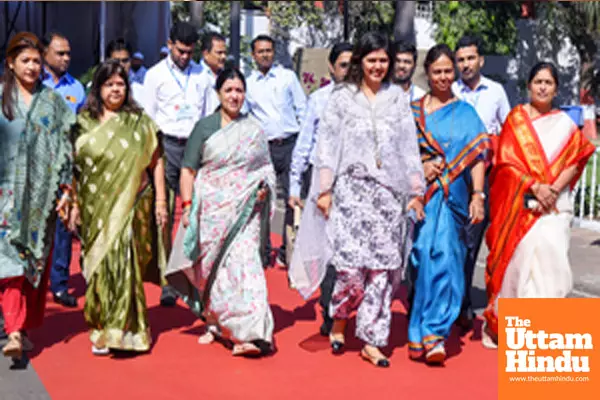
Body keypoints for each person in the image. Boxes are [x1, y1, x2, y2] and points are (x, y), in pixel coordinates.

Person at [289, 32, 425, 368]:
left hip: (388, 197)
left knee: (381, 271)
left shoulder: (397, 99)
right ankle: (340, 318)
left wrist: (416, 190)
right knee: (349, 269)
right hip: (350, 193)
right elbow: (327, 148)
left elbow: (409, 147)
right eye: (371, 60)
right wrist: (324, 190)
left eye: (383, 60)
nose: (378, 66)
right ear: (360, 62)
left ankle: (372, 340)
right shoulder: (342, 99)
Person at [483, 62, 595, 348]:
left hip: (555, 207)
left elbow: (576, 159)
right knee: (520, 266)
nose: (543, 87)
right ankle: (513, 329)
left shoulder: (565, 124)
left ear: (556, 89)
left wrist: (553, 190)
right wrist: (534, 186)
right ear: (529, 85)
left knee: (552, 262)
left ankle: (541, 333)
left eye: (548, 83)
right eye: (538, 82)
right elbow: (505, 162)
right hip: (520, 205)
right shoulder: (515, 120)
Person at [165, 68, 276, 357]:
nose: (234, 96)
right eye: (229, 90)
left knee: (245, 265)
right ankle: (215, 321)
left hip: (246, 212)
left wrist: (263, 190)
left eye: (239, 90)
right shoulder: (205, 127)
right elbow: (188, 170)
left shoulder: (253, 129)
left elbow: (264, 169)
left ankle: (252, 332)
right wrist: (187, 207)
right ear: (218, 93)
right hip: (211, 211)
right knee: (212, 270)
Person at [69, 60, 168, 355]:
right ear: (98, 88)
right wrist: (73, 204)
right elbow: (75, 169)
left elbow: (156, 160)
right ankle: (101, 328)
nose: (116, 89)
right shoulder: (82, 123)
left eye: (121, 84)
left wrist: (161, 201)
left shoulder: (139, 123)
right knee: (98, 269)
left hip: (130, 207)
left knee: (125, 266)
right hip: (94, 209)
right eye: (110, 84)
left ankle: (127, 331)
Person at [408, 44, 490, 365]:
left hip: (453, 196)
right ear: (427, 73)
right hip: (420, 195)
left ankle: (435, 333)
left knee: (447, 257)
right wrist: (422, 167)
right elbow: (400, 154)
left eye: (447, 70)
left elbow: (477, 158)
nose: (443, 77)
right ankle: (422, 330)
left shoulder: (466, 112)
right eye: (437, 71)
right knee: (421, 258)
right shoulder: (413, 112)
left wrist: (478, 195)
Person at [0, 32, 75, 359]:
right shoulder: (1, 98)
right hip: (6, 195)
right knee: (9, 263)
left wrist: (66, 190)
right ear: (10, 63)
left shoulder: (53, 103)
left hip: (42, 198)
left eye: (35, 61)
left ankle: (24, 326)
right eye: (25, 61)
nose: (31, 67)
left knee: (34, 265)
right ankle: (13, 330)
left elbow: (67, 149)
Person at [288, 42, 352, 337]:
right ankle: (330, 309)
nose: (348, 70)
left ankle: (347, 309)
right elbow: (304, 146)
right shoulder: (318, 100)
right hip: (322, 181)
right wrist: (294, 186)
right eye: (343, 65)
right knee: (326, 248)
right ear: (331, 67)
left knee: (349, 250)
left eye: (353, 65)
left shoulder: (365, 101)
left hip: (353, 182)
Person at [144, 22, 206, 307]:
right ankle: (167, 279)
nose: (185, 57)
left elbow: (206, 115)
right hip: (167, 144)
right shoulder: (155, 75)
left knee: (196, 211)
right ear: (169, 45)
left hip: (195, 146)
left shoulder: (201, 74)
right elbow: (149, 118)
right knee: (165, 213)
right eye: (180, 51)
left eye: (189, 52)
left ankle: (197, 275)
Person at [452, 35, 511, 330]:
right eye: (461, 59)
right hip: (453, 177)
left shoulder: (496, 92)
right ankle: (454, 301)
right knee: (454, 239)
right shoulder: (450, 91)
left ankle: (466, 302)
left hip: (485, 177)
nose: (466, 64)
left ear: (481, 60)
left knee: (475, 239)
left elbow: (509, 132)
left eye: (470, 58)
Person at [246, 34, 307, 267]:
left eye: (268, 50)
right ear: (253, 55)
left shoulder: (287, 77)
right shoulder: (248, 83)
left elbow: (302, 108)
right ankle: (262, 250)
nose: (265, 55)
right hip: (264, 148)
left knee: (292, 197)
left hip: (290, 144)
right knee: (262, 198)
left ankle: (286, 251)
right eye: (260, 51)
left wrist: (302, 142)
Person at [41, 31, 86, 309]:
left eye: (68, 53)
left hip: (64, 167)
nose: (66, 58)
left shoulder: (77, 89)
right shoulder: (33, 83)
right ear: (45, 53)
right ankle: (28, 282)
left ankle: (59, 283)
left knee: (62, 228)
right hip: (33, 167)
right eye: (60, 53)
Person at [198, 32, 227, 117]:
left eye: (225, 52)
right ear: (206, 54)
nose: (223, 57)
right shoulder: (196, 75)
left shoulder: (226, 76)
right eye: (219, 53)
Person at [105, 38, 144, 103]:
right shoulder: (99, 90)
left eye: (125, 61)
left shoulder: (140, 92)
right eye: (116, 61)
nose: (121, 65)